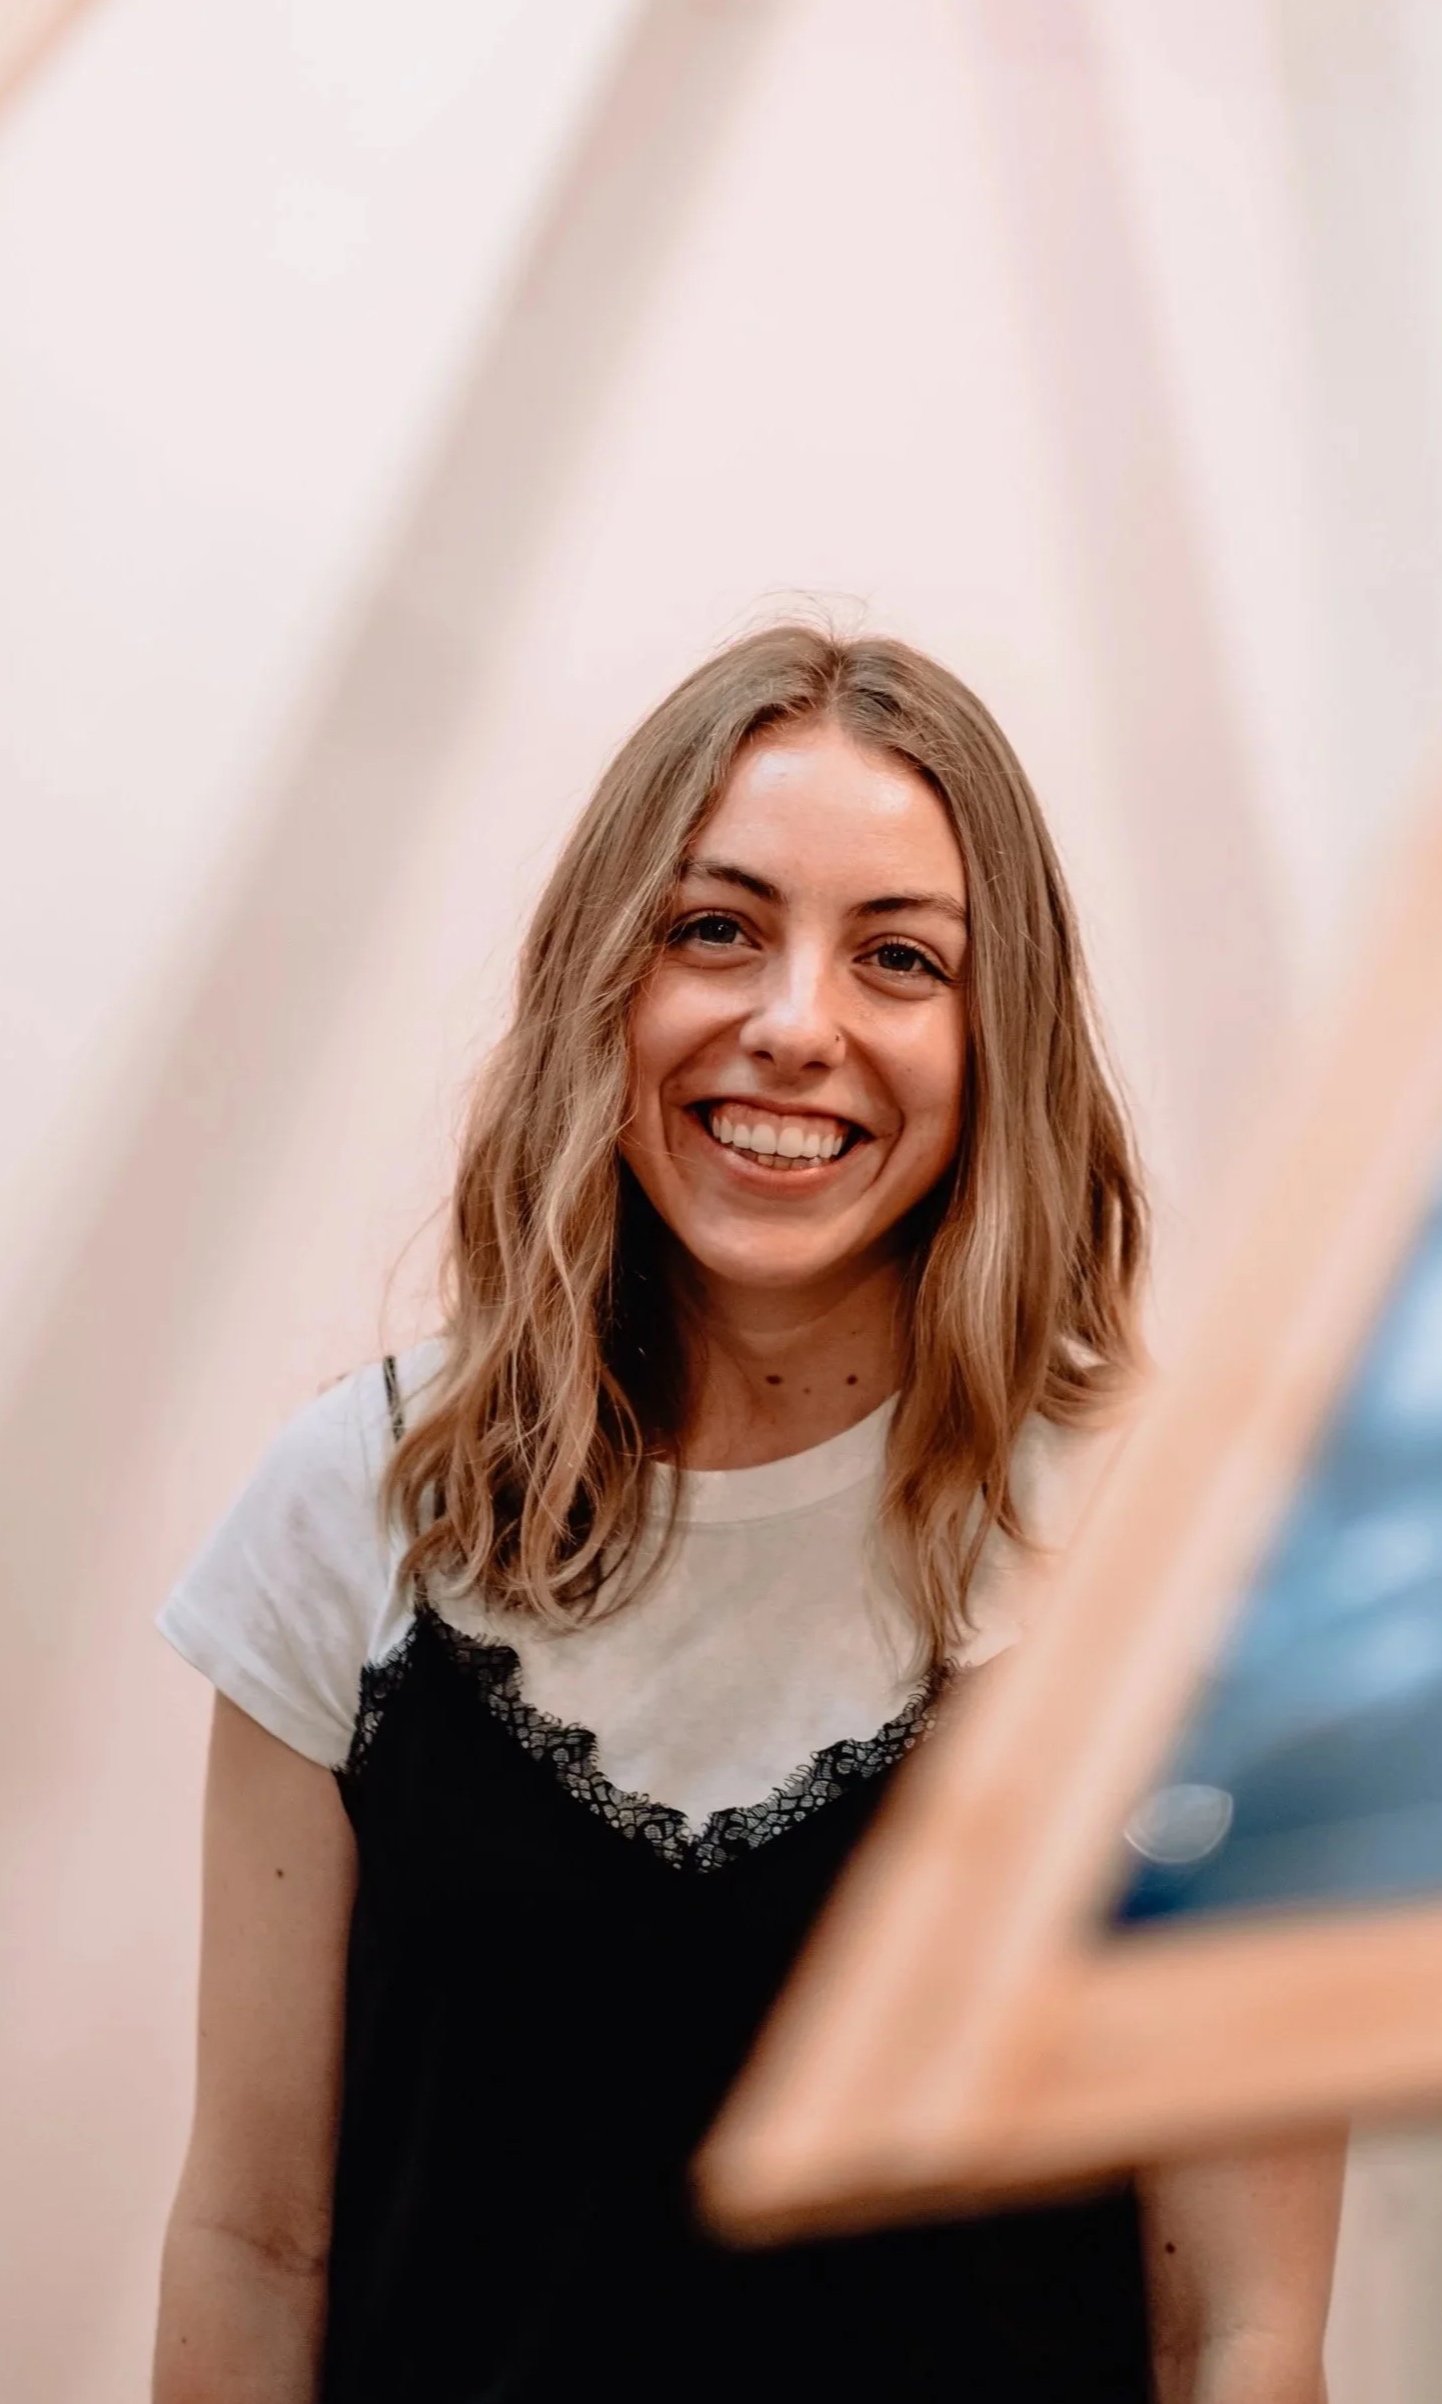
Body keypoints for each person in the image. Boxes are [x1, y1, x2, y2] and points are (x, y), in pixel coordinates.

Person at [151, 626, 1344, 2402]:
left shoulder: (1180, 1555)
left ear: (994, 1028)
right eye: (717, 929)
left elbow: (1234, 2325)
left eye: (898, 958)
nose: (797, 1027)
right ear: (600, 983)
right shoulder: (355, 1509)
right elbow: (259, 2242)